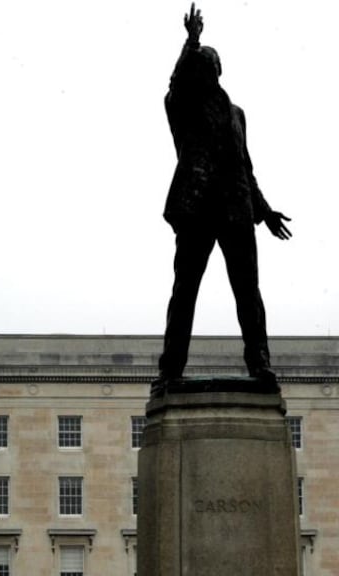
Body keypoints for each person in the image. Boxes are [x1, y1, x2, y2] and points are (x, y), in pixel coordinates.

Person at [156, 3, 292, 388]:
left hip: (235, 208)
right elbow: (175, 83)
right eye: (197, 64)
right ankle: (171, 368)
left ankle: (260, 362)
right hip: (196, 207)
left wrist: (264, 211)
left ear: (217, 70)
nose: (202, 69)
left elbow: (244, 165)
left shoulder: (237, 113)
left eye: (207, 63)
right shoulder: (181, 106)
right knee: (185, 290)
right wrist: (191, 41)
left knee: (248, 291)